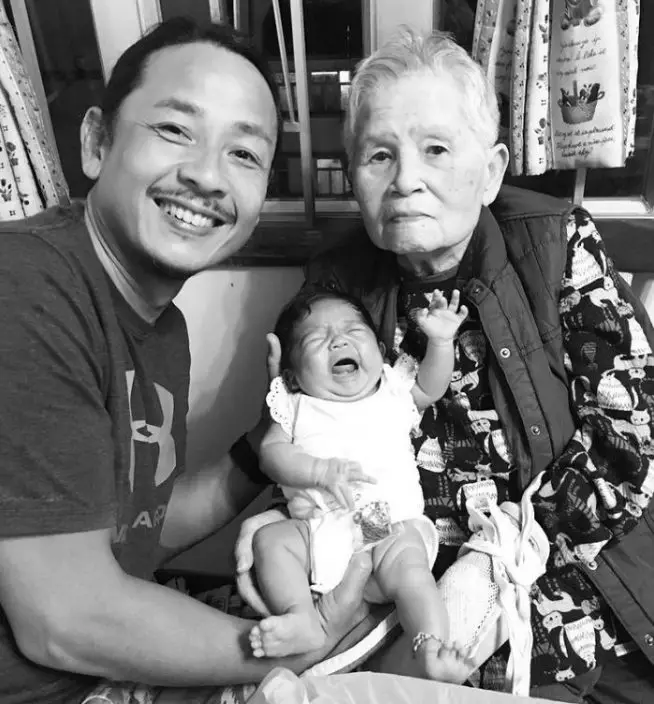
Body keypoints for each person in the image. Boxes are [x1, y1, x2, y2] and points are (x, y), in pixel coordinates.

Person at [234, 28, 654, 702]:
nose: (406, 179)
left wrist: (503, 555)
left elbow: (628, 439)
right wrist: (288, 520)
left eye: (436, 149)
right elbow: (314, 429)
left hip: (563, 570)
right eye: (379, 155)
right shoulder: (337, 283)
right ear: (354, 178)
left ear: (490, 171)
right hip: (398, 576)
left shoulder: (555, 242)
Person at [0, 17, 371, 704]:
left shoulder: (162, 326)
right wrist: (302, 646)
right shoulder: (23, 286)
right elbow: (66, 619)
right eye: (175, 130)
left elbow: (140, 530)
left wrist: (267, 443)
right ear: (96, 142)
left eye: (244, 154)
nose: (207, 175)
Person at [246, 285, 511, 683]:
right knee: (269, 541)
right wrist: (319, 471)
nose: (339, 341)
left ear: (380, 351)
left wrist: (441, 342)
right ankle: (302, 617)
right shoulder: (293, 404)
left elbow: (431, 386)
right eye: (317, 338)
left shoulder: (392, 389)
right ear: (292, 376)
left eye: (354, 330)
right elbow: (271, 453)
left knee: (412, 575)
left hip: (384, 521)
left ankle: (432, 646)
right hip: (321, 526)